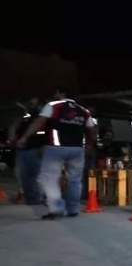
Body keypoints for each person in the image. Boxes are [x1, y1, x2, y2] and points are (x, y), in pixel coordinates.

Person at [16, 86, 96, 219]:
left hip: (56, 148)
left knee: (49, 178)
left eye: (57, 92)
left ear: (61, 94)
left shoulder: (53, 105)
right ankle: (73, 209)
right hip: (77, 149)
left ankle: (56, 208)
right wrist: (89, 145)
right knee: (75, 180)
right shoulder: (83, 111)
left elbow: (40, 121)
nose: (55, 95)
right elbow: (92, 130)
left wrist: (25, 137)